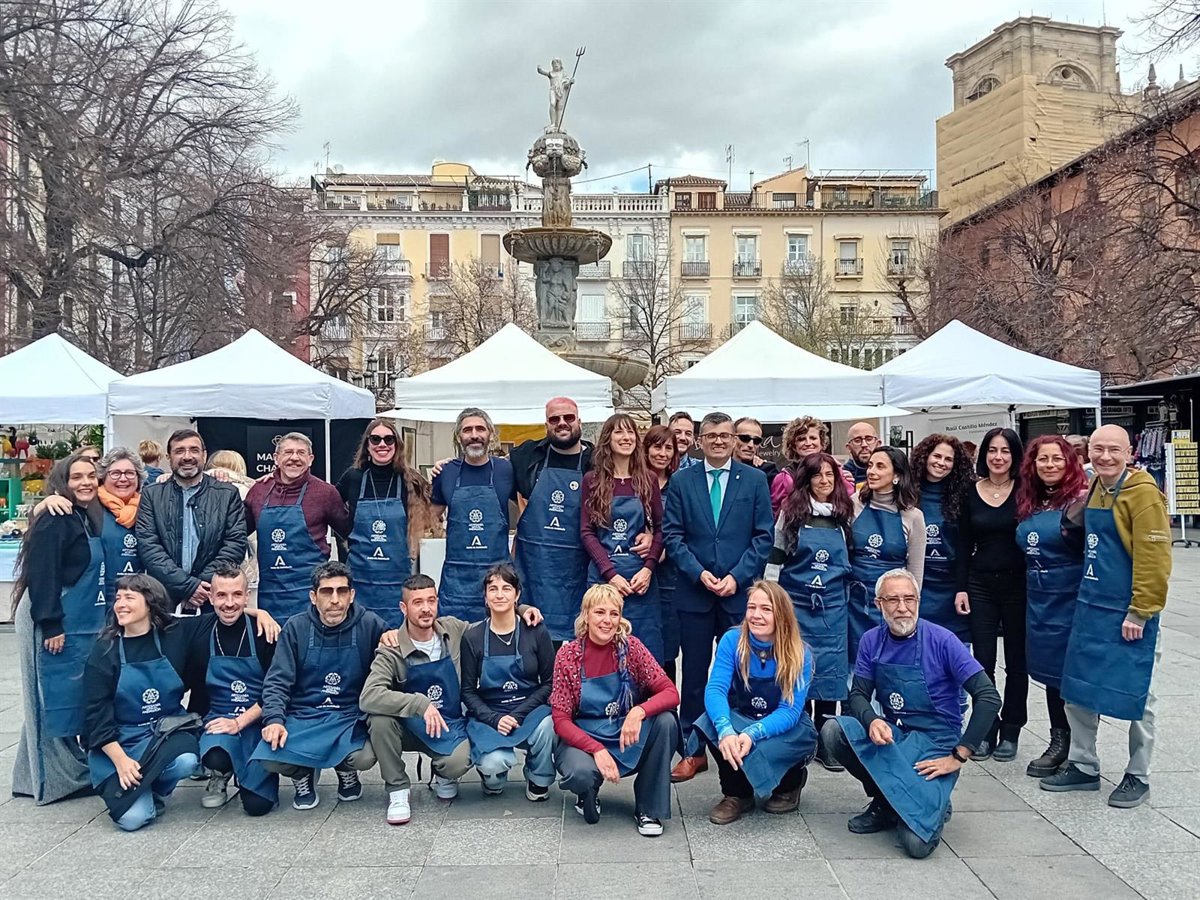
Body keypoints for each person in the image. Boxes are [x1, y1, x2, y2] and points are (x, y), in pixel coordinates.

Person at [822, 569, 1001, 859]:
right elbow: (857, 695)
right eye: (893, 600)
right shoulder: (871, 640)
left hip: (935, 744)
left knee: (917, 846)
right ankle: (886, 801)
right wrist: (872, 719)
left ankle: (929, 799)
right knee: (834, 732)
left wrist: (959, 755)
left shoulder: (944, 641)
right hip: (895, 737)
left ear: (919, 601)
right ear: (879, 604)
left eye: (909, 599)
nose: (902, 607)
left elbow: (989, 697)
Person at [1042, 425, 1171, 808]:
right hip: (1091, 609)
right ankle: (1083, 764)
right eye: (1098, 449)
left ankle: (1138, 775)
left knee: (1138, 695)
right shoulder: (1097, 486)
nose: (1105, 457)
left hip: (1128, 613)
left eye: (1114, 450)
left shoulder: (1144, 494)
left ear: (1129, 453)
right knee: (1077, 690)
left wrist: (1141, 612)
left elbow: (1154, 559)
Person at [361, 572, 543, 824]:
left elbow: (494, 623)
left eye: (431, 600)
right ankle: (398, 789)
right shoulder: (392, 647)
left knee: (459, 762)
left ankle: (443, 772)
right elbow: (369, 696)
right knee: (379, 720)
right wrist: (419, 704)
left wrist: (520, 608)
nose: (426, 609)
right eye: (417, 603)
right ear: (403, 608)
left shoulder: (454, 630)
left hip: (449, 724)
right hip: (408, 726)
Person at [662, 411, 773, 783]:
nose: (719, 441)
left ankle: (741, 746)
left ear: (734, 439)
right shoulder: (682, 481)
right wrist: (699, 573)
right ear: (700, 440)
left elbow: (763, 538)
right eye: (711, 436)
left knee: (742, 674)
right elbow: (673, 536)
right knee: (694, 675)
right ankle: (693, 751)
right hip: (694, 594)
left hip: (737, 596)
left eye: (726, 435)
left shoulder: (754, 480)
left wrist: (736, 578)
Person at [252, 561, 386, 810]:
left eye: (341, 591)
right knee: (271, 757)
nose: (335, 600)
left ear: (351, 595)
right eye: (326, 592)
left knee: (364, 757)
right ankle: (301, 774)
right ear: (313, 597)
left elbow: (391, 664)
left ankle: (346, 771)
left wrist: (392, 637)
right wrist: (274, 720)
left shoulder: (370, 625)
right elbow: (277, 681)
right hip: (304, 716)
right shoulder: (296, 628)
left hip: (348, 717)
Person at [551, 584, 680, 837]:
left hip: (624, 733)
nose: (607, 620)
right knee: (580, 774)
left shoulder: (631, 648)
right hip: (584, 737)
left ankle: (648, 808)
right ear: (586, 615)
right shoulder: (568, 655)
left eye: (614, 614)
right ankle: (587, 793)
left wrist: (638, 712)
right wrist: (596, 749)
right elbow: (560, 719)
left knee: (666, 721)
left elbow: (670, 692)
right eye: (600, 612)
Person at [10, 453, 102, 804]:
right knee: (48, 695)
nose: (85, 482)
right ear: (63, 482)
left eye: (91, 476)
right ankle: (58, 780)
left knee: (50, 695)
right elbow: (42, 573)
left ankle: (28, 776)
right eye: (77, 477)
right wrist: (50, 625)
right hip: (46, 614)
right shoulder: (55, 516)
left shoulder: (82, 515)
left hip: (69, 615)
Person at [687, 581, 817, 823]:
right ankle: (737, 793)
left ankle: (790, 784)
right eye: (751, 607)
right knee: (710, 723)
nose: (756, 615)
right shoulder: (732, 640)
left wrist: (752, 733)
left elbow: (789, 711)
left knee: (769, 745)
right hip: (744, 715)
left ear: (782, 615)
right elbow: (715, 689)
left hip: (783, 724)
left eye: (766, 609)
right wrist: (726, 730)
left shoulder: (800, 652)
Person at [83, 574, 201, 831]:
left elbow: (222, 616)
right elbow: (95, 716)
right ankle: (140, 794)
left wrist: (259, 613)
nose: (120, 604)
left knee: (187, 761)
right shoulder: (105, 650)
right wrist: (121, 761)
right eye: (118, 598)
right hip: (118, 743)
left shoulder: (172, 635)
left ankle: (155, 789)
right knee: (134, 819)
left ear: (150, 603)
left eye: (129, 597)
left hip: (161, 736)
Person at [765, 451, 853, 771]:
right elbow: (775, 559)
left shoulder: (845, 515)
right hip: (797, 606)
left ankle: (827, 742)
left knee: (830, 677)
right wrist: (772, 601)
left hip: (832, 608)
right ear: (806, 479)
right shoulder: (791, 515)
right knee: (796, 671)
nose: (824, 480)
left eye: (830, 474)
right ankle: (802, 740)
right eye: (817, 475)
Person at [1015, 436, 1088, 778]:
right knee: (1049, 674)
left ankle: (1081, 749)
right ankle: (1059, 739)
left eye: (1057, 459)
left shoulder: (1081, 501)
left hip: (1071, 597)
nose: (1050, 465)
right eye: (1043, 459)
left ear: (1069, 462)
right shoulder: (1029, 501)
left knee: (1073, 674)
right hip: (1038, 599)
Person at [954, 427, 1026, 761]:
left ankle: (1011, 729)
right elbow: (963, 544)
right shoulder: (971, 491)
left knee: (1017, 662)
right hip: (980, 584)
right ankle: (986, 728)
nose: (998, 457)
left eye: (1005, 451)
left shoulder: (1025, 490)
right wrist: (961, 587)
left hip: (1018, 585)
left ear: (1015, 455)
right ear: (984, 455)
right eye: (993, 450)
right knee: (982, 662)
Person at [461, 565, 556, 800]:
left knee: (549, 725)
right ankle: (493, 778)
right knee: (493, 763)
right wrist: (494, 719)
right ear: (485, 597)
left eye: (506, 588)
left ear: (517, 595)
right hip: (490, 712)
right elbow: (468, 691)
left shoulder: (536, 632)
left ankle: (538, 777)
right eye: (493, 589)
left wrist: (518, 715)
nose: (499, 595)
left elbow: (549, 683)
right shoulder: (472, 637)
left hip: (529, 708)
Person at [193, 564, 280, 814]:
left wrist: (239, 722)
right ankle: (219, 773)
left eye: (237, 595)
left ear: (247, 596)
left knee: (257, 806)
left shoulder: (265, 632)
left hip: (259, 720)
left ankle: (253, 777)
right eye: (221, 595)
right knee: (216, 755)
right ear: (211, 597)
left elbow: (277, 690)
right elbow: (155, 620)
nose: (229, 603)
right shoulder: (199, 629)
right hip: (219, 720)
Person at [136, 429, 248, 616]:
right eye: (179, 451)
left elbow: (235, 544)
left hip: (212, 597)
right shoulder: (152, 495)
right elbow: (149, 546)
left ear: (204, 455)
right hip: (164, 597)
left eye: (194, 450)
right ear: (168, 457)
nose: (187, 457)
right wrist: (188, 586)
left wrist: (201, 587)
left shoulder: (227, 494)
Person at [511, 397, 594, 643]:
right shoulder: (526, 457)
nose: (562, 423)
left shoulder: (597, 462)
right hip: (535, 573)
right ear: (546, 424)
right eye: (554, 419)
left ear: (579, 421)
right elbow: (488, 469)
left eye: (568, 417)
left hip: (578, 574)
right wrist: (448, 465)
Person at [582, 414, 665, 660]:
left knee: (644, 652)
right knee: (603, 650)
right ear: (608, 438)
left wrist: (648, 568)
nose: (626, 437)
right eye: (619, 432)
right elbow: (587, 532)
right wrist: (610, 574)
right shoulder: (592, 480)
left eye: (630, 432)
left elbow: (662, 528)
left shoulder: (648, 479)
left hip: (640, 581)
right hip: (603, 579)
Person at [246, 432, 349, 625]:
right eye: (288, 452)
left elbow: (349, 533)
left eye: (301, 453)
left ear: (310, 459)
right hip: (270, 596)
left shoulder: (325, 493)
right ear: (276, 458)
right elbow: (237, 532)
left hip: (311, 594)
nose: (294, 458)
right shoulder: (258, 491)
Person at [336, 419, 432, 628]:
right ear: (367, 445)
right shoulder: (353, 478)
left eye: (389, 439)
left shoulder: (411, 480)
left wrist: (443, 468)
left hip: (397, 582)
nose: (382, 444)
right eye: (376, 439)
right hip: (360, 581)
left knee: (395, 640)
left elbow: (435, 507)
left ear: (397, 445)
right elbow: (328, 505)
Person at [431, 407, 515, 621]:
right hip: (457, 583)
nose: (474, 435)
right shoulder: (446, 472)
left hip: (497, 580)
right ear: (459, 436)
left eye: (480, 429)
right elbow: (430, 517)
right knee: (454, 637)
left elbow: (528, 510)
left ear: (490, 434)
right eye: (467, 430)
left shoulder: (506, 470)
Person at [37, 447, 147, 606]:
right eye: (115, 473)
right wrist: (44, 504)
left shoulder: (148, 507)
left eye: (130, 473)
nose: (123, 479)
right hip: (96, 601)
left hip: (136, 602)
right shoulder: (89, 503)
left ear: (138, 478)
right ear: (103, 477)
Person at [848, 446, 925, 671]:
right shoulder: (854, 504)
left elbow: (915, 573)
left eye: (880, 466)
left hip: (891, 603)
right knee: (856, 665)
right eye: (870, 465)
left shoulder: (913, 516)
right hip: (855, 603)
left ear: (897, 475)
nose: (871, 471)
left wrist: (907, 608)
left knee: (889, 665)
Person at [911, 434, 973, 646]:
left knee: (954, 649)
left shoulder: (964, 495)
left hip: (952, 587)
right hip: (920, 585)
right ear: (925, 456)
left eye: (948, 459)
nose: (941, 463)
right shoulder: (907, 492)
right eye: (937, 456)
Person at [644, 425, 681, 683]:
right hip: (636, 572)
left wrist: (663, 545)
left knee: (667, 649)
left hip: (670, 577)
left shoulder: (680, 485)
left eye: (669, 448)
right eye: (657, 447)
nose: (663, 453)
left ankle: (668, 700)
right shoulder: (634, 483)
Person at [770, 415, 853, 515]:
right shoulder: (783, 479)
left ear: (822, 443)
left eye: (813, 438)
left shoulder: (836, 470)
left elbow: (849, 502)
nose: (808, 443)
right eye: (801, 439)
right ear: (793, 445)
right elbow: (775, 514)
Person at [733, 417, 779, 483]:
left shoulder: (768, 471)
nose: (751, 445)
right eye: (745, 438)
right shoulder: (721, 466)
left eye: (757, 441)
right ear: (733, 439)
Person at [843, 422, 880, 489]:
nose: (864, 445)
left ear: (878, 444)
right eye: (857, 441)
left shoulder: (889, 472)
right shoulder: (843, 475)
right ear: (849, 448)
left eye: (869, 439)